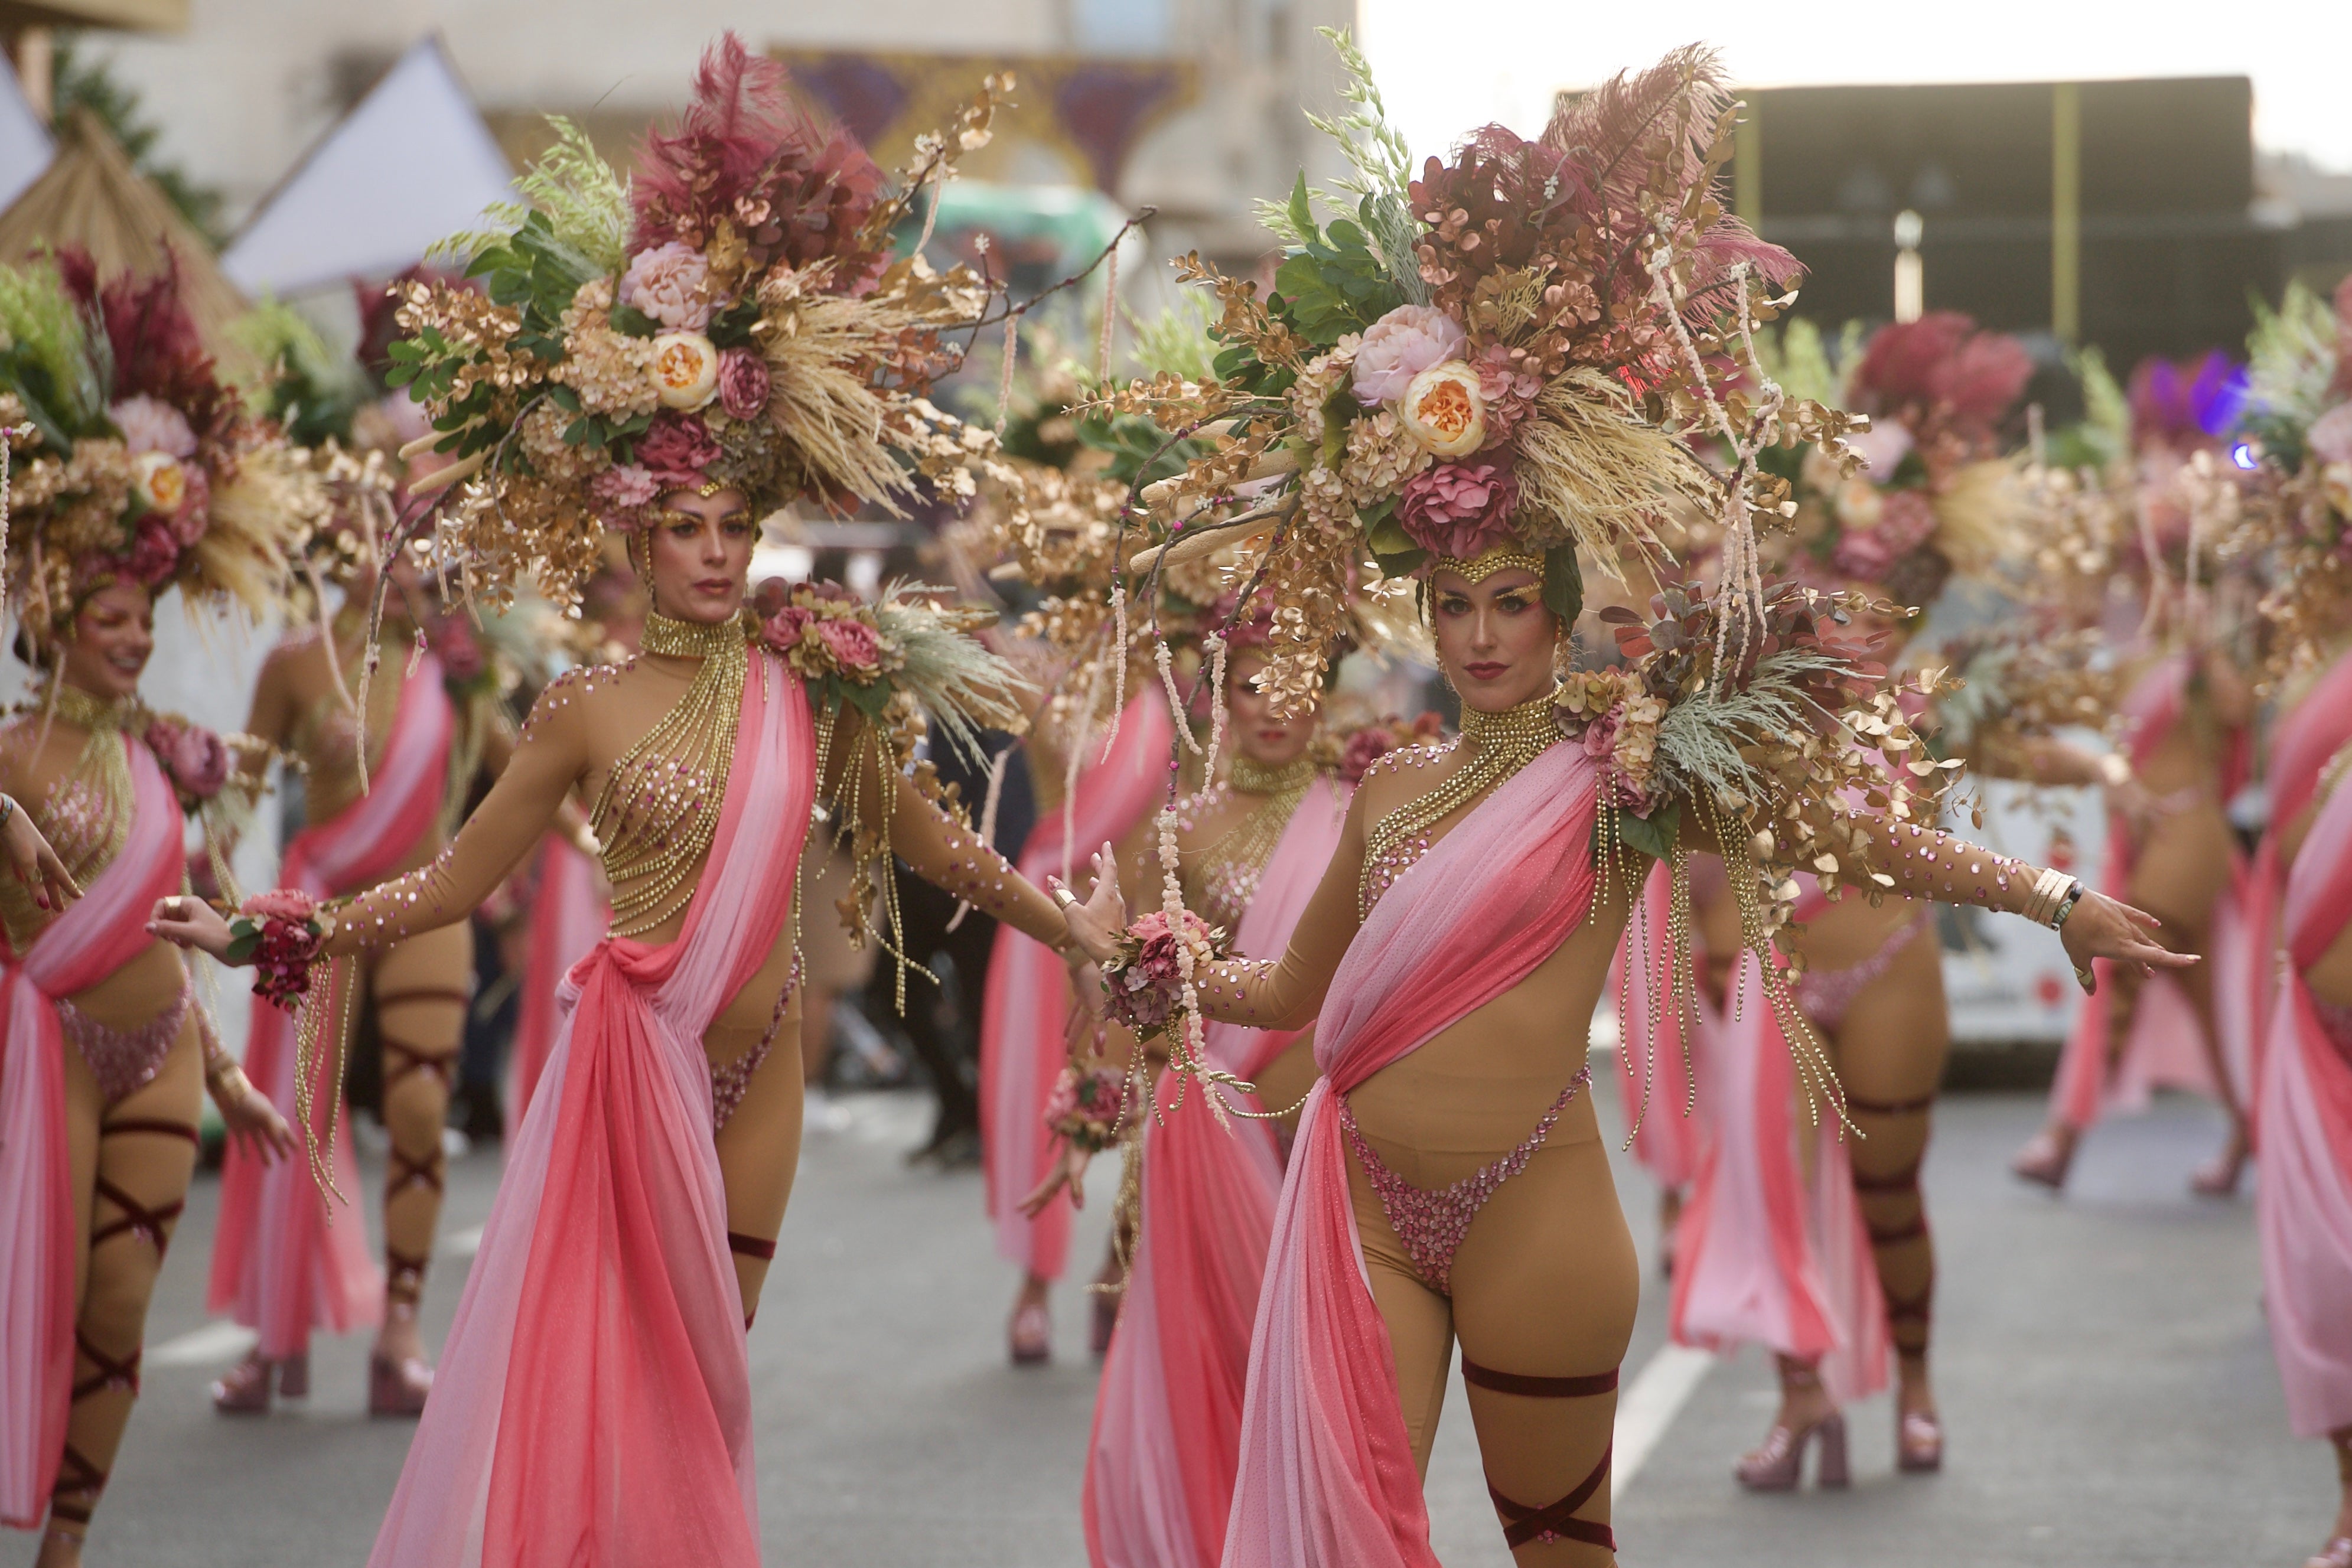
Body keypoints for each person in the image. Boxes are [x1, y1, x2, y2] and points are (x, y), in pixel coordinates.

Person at [1046, 46, 2193, 1562]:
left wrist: (2042, 894)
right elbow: (1286, 992)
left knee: (1557, 1551)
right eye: (1450, 600)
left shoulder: (1628, 774)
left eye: (1509, 599)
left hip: (1536, 1206)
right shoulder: (1383, 787)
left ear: (1561, 607)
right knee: (1344, 1531)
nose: (1475, 631)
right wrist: (1161, 955)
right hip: (1360, 1206)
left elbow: (1839, 830)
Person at [153, 37, 1092, 1563]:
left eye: (738, 523)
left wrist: (1087, 939)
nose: (716, 553)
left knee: (709, 1390)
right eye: (687, 527)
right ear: (636, 532)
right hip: (622, 1079)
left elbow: (938, 847)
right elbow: (453, 889)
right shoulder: (579, 709)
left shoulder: (817, 677)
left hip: (760, 1078)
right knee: (623, 1394)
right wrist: (272, 932)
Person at [0, 253, 300, 1567]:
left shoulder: (173, 752)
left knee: (120, 1307)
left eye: (145, 617)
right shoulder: (9, 755)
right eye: (113, 615)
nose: (135, 636)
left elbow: (200, 915)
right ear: (57, 616)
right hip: (46, 1047)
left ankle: (67, 1543)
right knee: (40, 1298)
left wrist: (231, 1063)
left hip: (164, 1050)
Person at [1037, 628, 1353, 1568]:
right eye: (1250, 684)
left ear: (1326, 696)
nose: (1271, 706)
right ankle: (1210, 1533)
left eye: (1294, 683)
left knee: (1307, 1353)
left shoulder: (1358, 816)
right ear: (1216, 697)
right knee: (1206, 1349)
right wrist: (1101, 1090)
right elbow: (1109, 968)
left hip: (1322, 1114)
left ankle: (1300, 1535)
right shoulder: (1176, 829)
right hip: (1203, 1114)